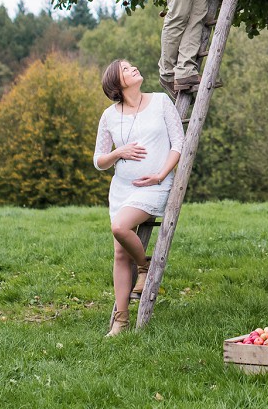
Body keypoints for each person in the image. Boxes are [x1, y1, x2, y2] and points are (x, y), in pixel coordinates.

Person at [94, 59, 185, 336]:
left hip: (154, 185)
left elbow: (179, 143)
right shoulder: (110, 115)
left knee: (119, 227)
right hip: (122, 188)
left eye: (131, 66)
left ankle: (145, 266)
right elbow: (99, 160)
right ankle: (120, 321)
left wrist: (160, 175)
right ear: (116, 84)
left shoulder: (160, 102)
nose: (133, 68)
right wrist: (118, 153)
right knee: (120, 252)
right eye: (125, 69)